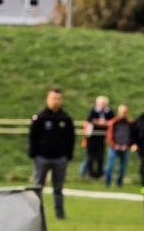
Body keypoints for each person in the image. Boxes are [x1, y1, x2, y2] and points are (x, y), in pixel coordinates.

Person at [28, 87, 75, 220]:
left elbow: (71, 138)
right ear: (48, 99)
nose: (56, 101)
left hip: (60, 158)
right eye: (53, 98)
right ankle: (35, 212)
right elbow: (33, 136)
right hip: (42, 157)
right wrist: (33, 154)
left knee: (58, 188)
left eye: (58, 99)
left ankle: (60, 213)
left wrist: (68, 155)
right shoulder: (41, 117)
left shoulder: (65, 119)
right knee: (38, 186)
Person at [81, 96, 114, 180]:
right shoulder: (93, 110)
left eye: (104, 103)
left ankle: (99, 173)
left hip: (101, 137)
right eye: (101, 103)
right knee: (90, 156)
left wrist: (105, 123)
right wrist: (100, 122)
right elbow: (90, 120)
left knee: (100, 156)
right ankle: (89, 173)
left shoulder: (109, 111)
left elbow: (112, 121)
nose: (102, 105)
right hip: (92, 136)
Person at [105, 105, 133, 187]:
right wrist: (114, 144)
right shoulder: (114, 122)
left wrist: (127, 145)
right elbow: (110, 135)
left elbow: (131, 136)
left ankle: (119, 183)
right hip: (114, 147)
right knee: (110, 165)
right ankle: (107, 182)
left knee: (122, 167)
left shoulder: (129, 123)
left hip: (124, 147)